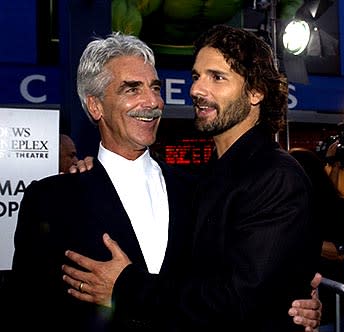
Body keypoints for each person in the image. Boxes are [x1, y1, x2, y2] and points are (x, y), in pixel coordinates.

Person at [61, 25, 322, 332]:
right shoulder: (199, 181)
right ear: (95, 105)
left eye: (217, 77)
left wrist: (126, 286)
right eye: (197, 76)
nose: (197, 89)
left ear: (256, 92)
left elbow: (240, 299)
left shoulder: (276, 177)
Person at [8, 32, 196, 332]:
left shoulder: (196, 191)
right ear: (95, 106)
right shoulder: (51, 200)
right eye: (132, 89)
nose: (153, 101)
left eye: (155, 87)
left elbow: (220, 295)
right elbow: (30, 310)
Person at [289, 147, 344, 331]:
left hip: (332, 300)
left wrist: (302, 241)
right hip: (301, 302)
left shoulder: (334, 205)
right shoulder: (290, 205)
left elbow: (340, 251)